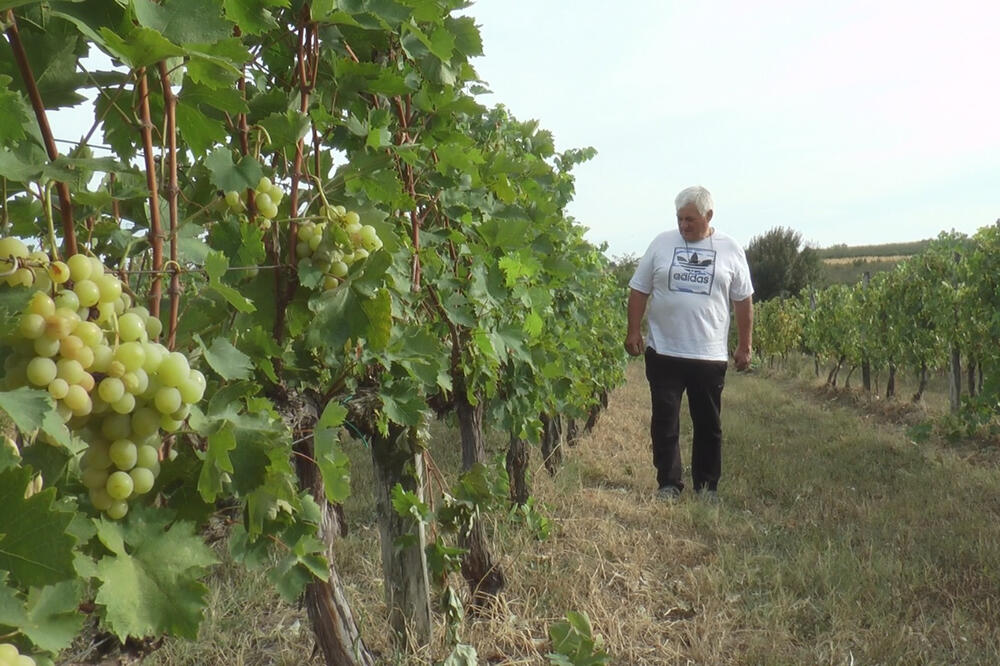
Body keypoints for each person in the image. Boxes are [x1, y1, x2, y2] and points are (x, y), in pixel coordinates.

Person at [624, 185, 753, 501]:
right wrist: (633, 331)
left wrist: (744, 345)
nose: (683, 225)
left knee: (708, 424)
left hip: (708, 355)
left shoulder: (730, 249)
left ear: (709, 216)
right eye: (680, 219)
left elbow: (743, 300)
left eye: (691, 220)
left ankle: (707, 487)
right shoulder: (661, 244)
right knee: (665, 421)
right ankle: (668, 484)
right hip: (664, 350)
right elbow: (639, 290)